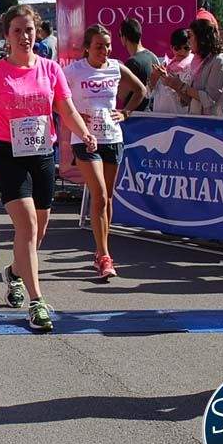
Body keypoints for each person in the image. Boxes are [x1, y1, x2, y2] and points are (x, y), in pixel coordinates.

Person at [0, 5, 97, 332]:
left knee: (37, 232)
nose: (24, 37)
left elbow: (66, 109)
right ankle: (37, 301)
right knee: (25, 225)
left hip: (40, 154)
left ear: (37, 32)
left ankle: (13, 272)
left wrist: (84, 133)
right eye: (17, 31)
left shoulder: (51, 69)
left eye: (29, 30)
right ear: (6, 36)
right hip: (6, 154)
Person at [64, 25, 147, 280]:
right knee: (98, 193)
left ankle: (101, 250)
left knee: (107, 198)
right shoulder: (74, 71)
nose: (105, 50)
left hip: (112, 137)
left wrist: (125, 112)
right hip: (85, 140)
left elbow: (140, 90)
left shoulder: (115, 66)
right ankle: (104, 254)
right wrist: (75, 116)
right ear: (87, 47)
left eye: (108, 45)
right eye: (99, 46)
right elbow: (56, 98)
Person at [159, 18, 223, 116]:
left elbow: (209, 99)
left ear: (201, 38)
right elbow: (190, 101)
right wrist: (174, 85)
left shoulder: (221, 61)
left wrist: (181, 86)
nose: (188, 40)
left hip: (216, 126)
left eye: (190, 36)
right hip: (198, 123)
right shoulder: (198, 61)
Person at [149, 29, 196, 114]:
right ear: (171, 47)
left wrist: (173, 84)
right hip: (159, 118)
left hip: (180, 119)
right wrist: (154, 77)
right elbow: (148, 94)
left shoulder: (194, 65)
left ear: (191, 47)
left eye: (186, 48)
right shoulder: (165, 63)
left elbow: (188, 101)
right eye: (177, 48)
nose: (182, 51)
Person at [118, 18, 158, 112]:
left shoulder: (132, 63)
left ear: (124, 38)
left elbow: (122, 95)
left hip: (135, 116)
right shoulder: (153, 56)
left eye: (120, 35)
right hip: (152, 114)